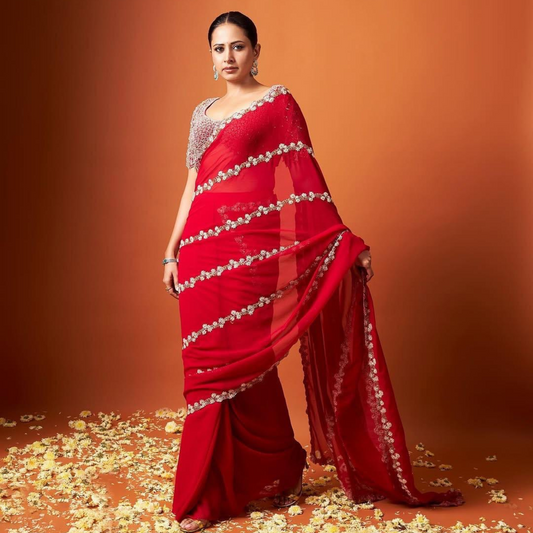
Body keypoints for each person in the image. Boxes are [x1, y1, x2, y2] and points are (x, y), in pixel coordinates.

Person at [162, 11, 465, 533]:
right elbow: (192, 186)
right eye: (219, 48)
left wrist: (342, 240)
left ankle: (211, 495)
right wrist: (171, 252)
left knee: (243, 363)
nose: (228, 56)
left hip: (248, 254)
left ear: (257, 51)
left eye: (238, 46)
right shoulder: (202, 113)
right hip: (200, 254)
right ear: (210, 56)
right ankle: (261, 473)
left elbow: (304, 177)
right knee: (206, 370)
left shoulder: (277, 103)